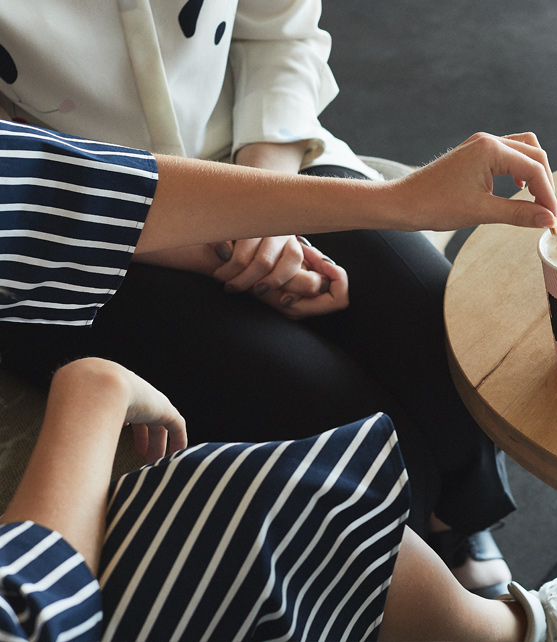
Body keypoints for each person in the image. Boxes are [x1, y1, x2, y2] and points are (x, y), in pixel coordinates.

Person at [0, 119, 557, 641]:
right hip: (75, 287)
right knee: (315, 462)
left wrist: (273, 223)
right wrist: (94, 388)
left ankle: (453, 542)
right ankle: (510, 627)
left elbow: (37, 189)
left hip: (152, 200)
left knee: (425, 315)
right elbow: (38, 603)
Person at [0, 0, 517, 595]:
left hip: (251, 147)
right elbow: (29, 185)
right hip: (66, 240)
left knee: (436, 320)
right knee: (333, 417)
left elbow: (281, 33)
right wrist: (231, 243)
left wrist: (270, 198)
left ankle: (458, 520)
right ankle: (430, 603)